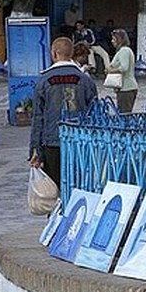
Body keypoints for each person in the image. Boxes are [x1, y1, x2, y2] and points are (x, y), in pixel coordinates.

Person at [29, 37, 99, 188]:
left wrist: (35, 151)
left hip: (53, 141)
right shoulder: (85, 80)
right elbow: (95, 114)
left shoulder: (43, 80)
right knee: (78, 185)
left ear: (53, 54)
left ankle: (58, 211)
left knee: (55, 187)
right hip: (79, 141)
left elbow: (38, 118)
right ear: (72, 53)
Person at [107, 29, 138, 113]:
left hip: (126, 88)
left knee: (124, 113)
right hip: (124, 88)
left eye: (114, 39)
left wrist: (111, 70)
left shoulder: (124, 51)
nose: (112, 41)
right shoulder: (124, 51)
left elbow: (124, 67)